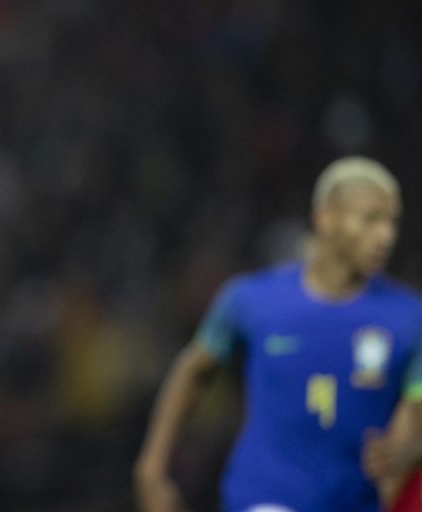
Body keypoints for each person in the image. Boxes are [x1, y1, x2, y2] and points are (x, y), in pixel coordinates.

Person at [134, 157, 422, 512]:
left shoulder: (408, 316)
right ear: (325, 218)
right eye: (370, 220)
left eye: (392, 222)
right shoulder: (250, 301)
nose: (386, 236)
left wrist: (413, 446)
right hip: (266, 496)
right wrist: (151, 466)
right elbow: (194, 369)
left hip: (356, 500)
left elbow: (416, 403)